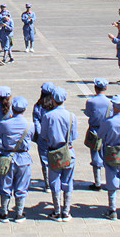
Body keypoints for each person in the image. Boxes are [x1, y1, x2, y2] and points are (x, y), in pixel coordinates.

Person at [0, 96, 33, 223]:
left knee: (5, 185)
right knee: (22, 186)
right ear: (24, 109)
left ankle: (4, 212)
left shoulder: (4, 124)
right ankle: (19, 213)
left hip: (7, 157)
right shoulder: (29, 125)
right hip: (23, 158)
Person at [40, 87, 77, 221]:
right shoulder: (72, 116)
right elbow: (74, 135)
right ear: (65, 99)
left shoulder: (48, 116)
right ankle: (66, 211)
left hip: (54, 152)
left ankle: (57, 211)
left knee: (55, 181)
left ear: (53, 99)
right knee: (68, 181)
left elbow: (44, 135)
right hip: (68, 150)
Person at [84, 77, 111, 190]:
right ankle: (109, 181)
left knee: (95, 156)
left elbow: (88, 113)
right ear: (106, 88)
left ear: (95, 88)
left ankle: (97, 182)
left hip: (94, 130)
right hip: (107, 131)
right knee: (108, 156)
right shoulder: (110, 102)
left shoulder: (91, 101)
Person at [32, 82, 54, 191]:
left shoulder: (38, 106)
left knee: (45, 161)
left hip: (43, 138)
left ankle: (47, 183)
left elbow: (36, 121)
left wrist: (41, 134)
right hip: (54, 137)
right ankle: (55, 181)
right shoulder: (54, 105)